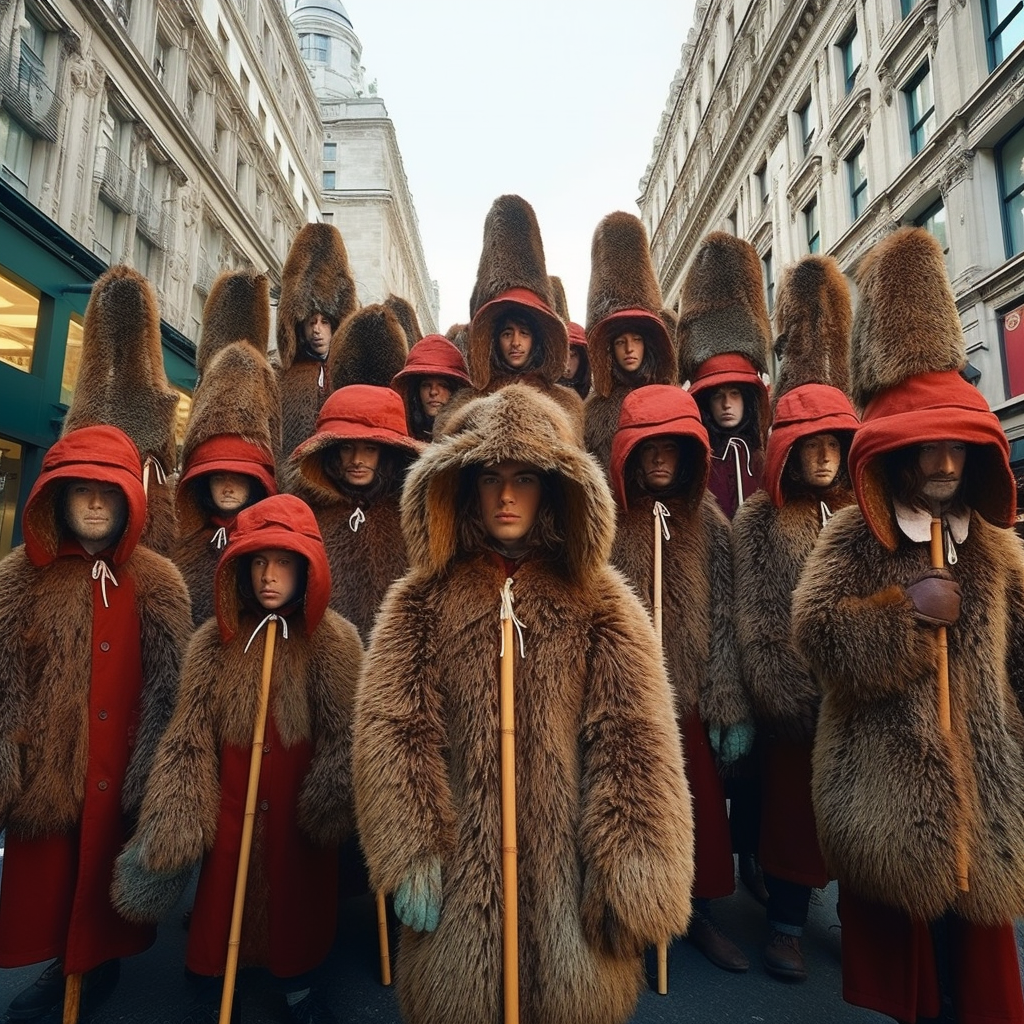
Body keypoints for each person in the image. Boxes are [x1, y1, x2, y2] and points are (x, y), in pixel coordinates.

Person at [353, 383, 694, 1024]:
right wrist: (411, 843)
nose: (506, 496)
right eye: (489, 477)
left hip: (565, 867)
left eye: (526, 478)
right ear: (463, 484)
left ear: (557, 488)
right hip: (463, 871)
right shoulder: (421, 601)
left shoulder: (601, 603)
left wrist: (633, 862)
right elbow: (395, 726)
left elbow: (634, 738)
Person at [791, 227, 1024, 1023]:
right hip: (892, 792)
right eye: (924, 446)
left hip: (987, 790)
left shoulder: (994, 550)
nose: (942, 462)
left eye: (954, 445)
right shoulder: (857, 533)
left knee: (981, 984)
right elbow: (816, 631)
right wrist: (903, 622)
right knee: (917, 989)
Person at [114, 493, 361, 1024]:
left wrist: (329, 796)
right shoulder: (214, 642)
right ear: (239, 568)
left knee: (296, 890)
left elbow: (345, 730)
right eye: (258, 562)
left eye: (285, 563)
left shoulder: (333, 640)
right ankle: (211, 970)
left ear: (307, 568)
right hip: (231, 790)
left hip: (297, 797)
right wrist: (180, 806)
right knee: (226, 883)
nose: (270, 576)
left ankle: (297, 979)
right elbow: (190, 733)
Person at [0, 425, 192, 1022]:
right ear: (55, 495)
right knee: (55, 883)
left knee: (104, 881)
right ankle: (65, 964)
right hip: (44, 773)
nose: (91, 503)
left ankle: (94, 964)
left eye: (106, 492)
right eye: (79, 489)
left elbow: (170, 685)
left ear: (127, 501)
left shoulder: (157, 580)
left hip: (122, 767)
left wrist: (155, 777)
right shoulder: (18, 579)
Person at [732, 254, 859, 983]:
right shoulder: (759, 520)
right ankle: (784, 921)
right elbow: (755, 616)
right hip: (793, 703)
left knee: (851, 815)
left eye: (829, 447)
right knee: (790, 817)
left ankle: (848, 911)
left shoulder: (856, 514)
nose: (819, 458)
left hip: (852, 693)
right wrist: (783, 690)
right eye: (807, 446)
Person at [609, 384, 752, 973]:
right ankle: (634, 916)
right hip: (632, 699)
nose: (661, 458)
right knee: (631, 808)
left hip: (690, 691)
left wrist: (725, 695)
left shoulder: (712, 525)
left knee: (699, 810)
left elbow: (725, 613)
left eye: (672, 447)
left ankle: (700, 914)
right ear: (632, 455)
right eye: (650, 448)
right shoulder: (612, 526)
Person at [677, 231, 774, 904]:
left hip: (764, 614)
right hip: (711, 616)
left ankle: (758, 857)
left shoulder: (769, 459)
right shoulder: (696, 464)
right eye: (716, 394)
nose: (725, 403)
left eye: (735, 392)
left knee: (764, 755)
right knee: (717, 753)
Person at [173, 269, 280, 625]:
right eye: (219, 474)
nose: (230, 485)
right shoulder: (176, 541)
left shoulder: (272, 554)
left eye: (240, 474)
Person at [433, 195, 583, 437]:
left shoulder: (566, 404)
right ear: (494, 338)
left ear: (536, 338)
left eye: (524, 333)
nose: (516, 342)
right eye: (507, 333)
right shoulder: (463, 405)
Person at [287, 384, 423, 643]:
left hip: (391, 655)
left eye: (370, 448)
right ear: (331, 452)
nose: (357, 459)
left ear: (387, 454)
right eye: (346, 447)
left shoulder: (410, 515)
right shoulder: (307, 514)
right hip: (321, 652)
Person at [582, 212, 678, 473]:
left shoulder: (671, 399)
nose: (629, 349)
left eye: (636, 339)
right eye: (620, 342)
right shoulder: (593, 413)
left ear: (648, 343)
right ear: (609, 348)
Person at [276, 223, 358, 462]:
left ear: (335, 325)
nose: (317, 330)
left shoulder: (349, 375)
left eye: (324, 322)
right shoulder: (283, 376)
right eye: (311, 322)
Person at [391, 334, 471, 441]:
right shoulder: (398, 437)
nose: (433, 392)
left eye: (443, 385)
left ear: (456, 391)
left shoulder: (471, 436)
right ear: (415, 392)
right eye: (426, 385)